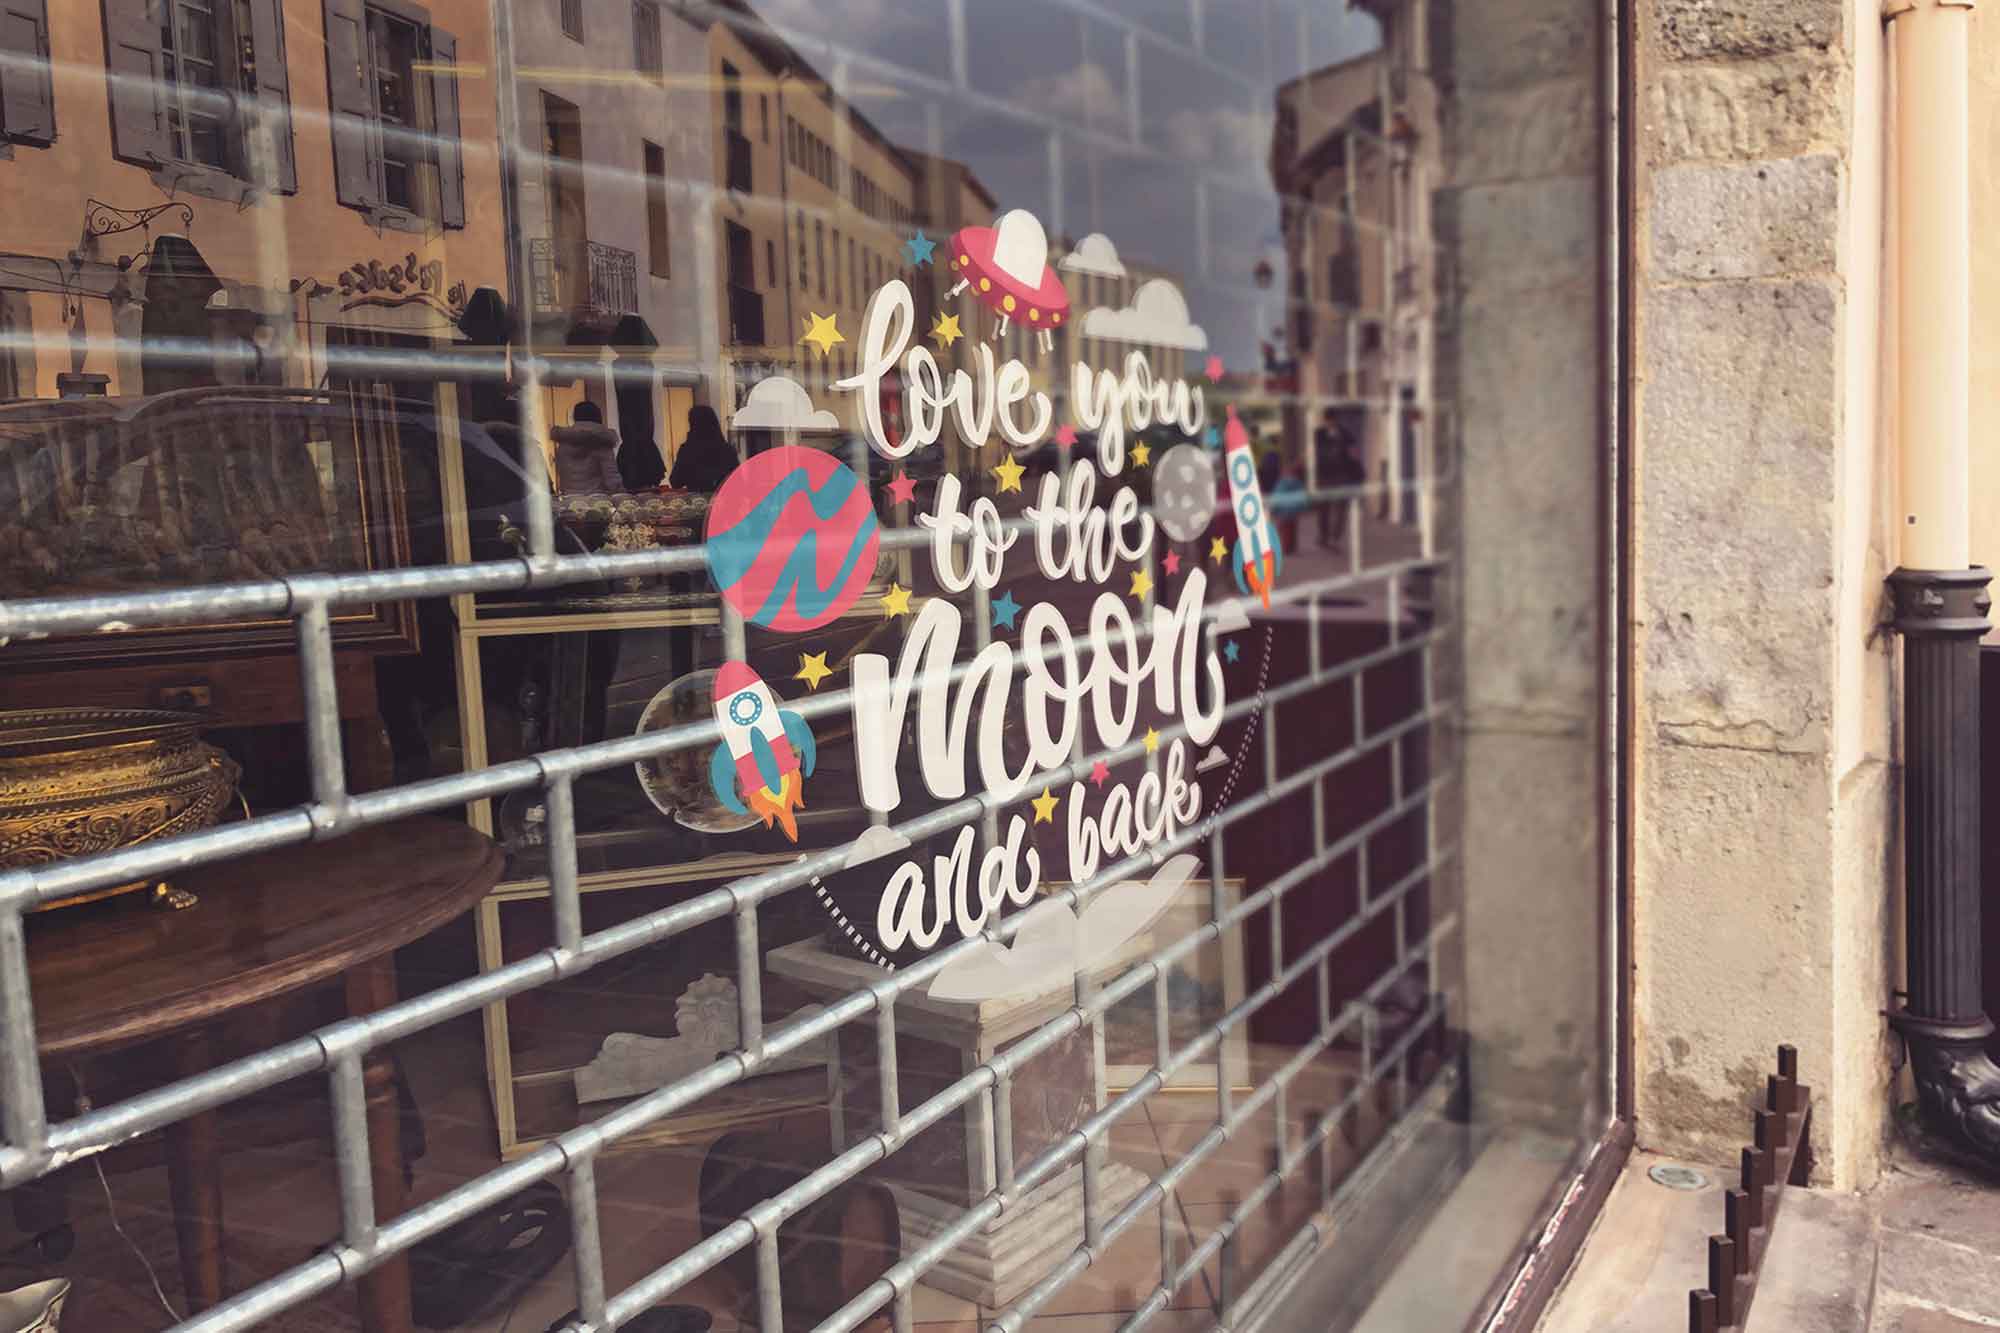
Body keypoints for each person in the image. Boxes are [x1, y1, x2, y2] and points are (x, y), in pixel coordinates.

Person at [1314, 410, 1365, 550]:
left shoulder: (1345, 434)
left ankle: (1334, 538)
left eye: (1333, 420)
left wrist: (1355, 469)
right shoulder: (1318, 434)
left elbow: (1354, 453)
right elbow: (1312, 452)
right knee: (1323, 508)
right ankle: (1323, 536)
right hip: (1324, 475)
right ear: (1325, 420)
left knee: (1341, 508)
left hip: (1342, 475)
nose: (1331, 423)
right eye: (1328, 420)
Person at [551, 401, 622, 494]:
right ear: (598, 417)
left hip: (570, 498)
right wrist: (621, 494)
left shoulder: (564, 442)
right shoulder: (602, 441)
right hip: (597, 499)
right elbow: (612, 479)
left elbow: (562, 473)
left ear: (575, 417)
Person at [669, 404, 740, 492]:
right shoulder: (727, 449)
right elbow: (737, 480)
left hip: (697, 499)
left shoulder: (687, 450)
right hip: (722, 497)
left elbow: (675, 482)